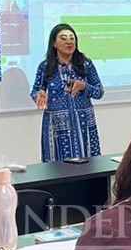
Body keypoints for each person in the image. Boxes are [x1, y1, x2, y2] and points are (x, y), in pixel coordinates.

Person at [31, 23, 104, 162]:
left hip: (83, 123)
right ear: (54, 43)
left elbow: (99, 92)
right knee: (57, 168)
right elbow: (35, 91)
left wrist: (84, 86)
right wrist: (39, 95)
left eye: (72, 38)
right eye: (63, 38)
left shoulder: (85, 64)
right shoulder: (45, 66)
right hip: (56, 125)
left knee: (89, 165)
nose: (69, 42)